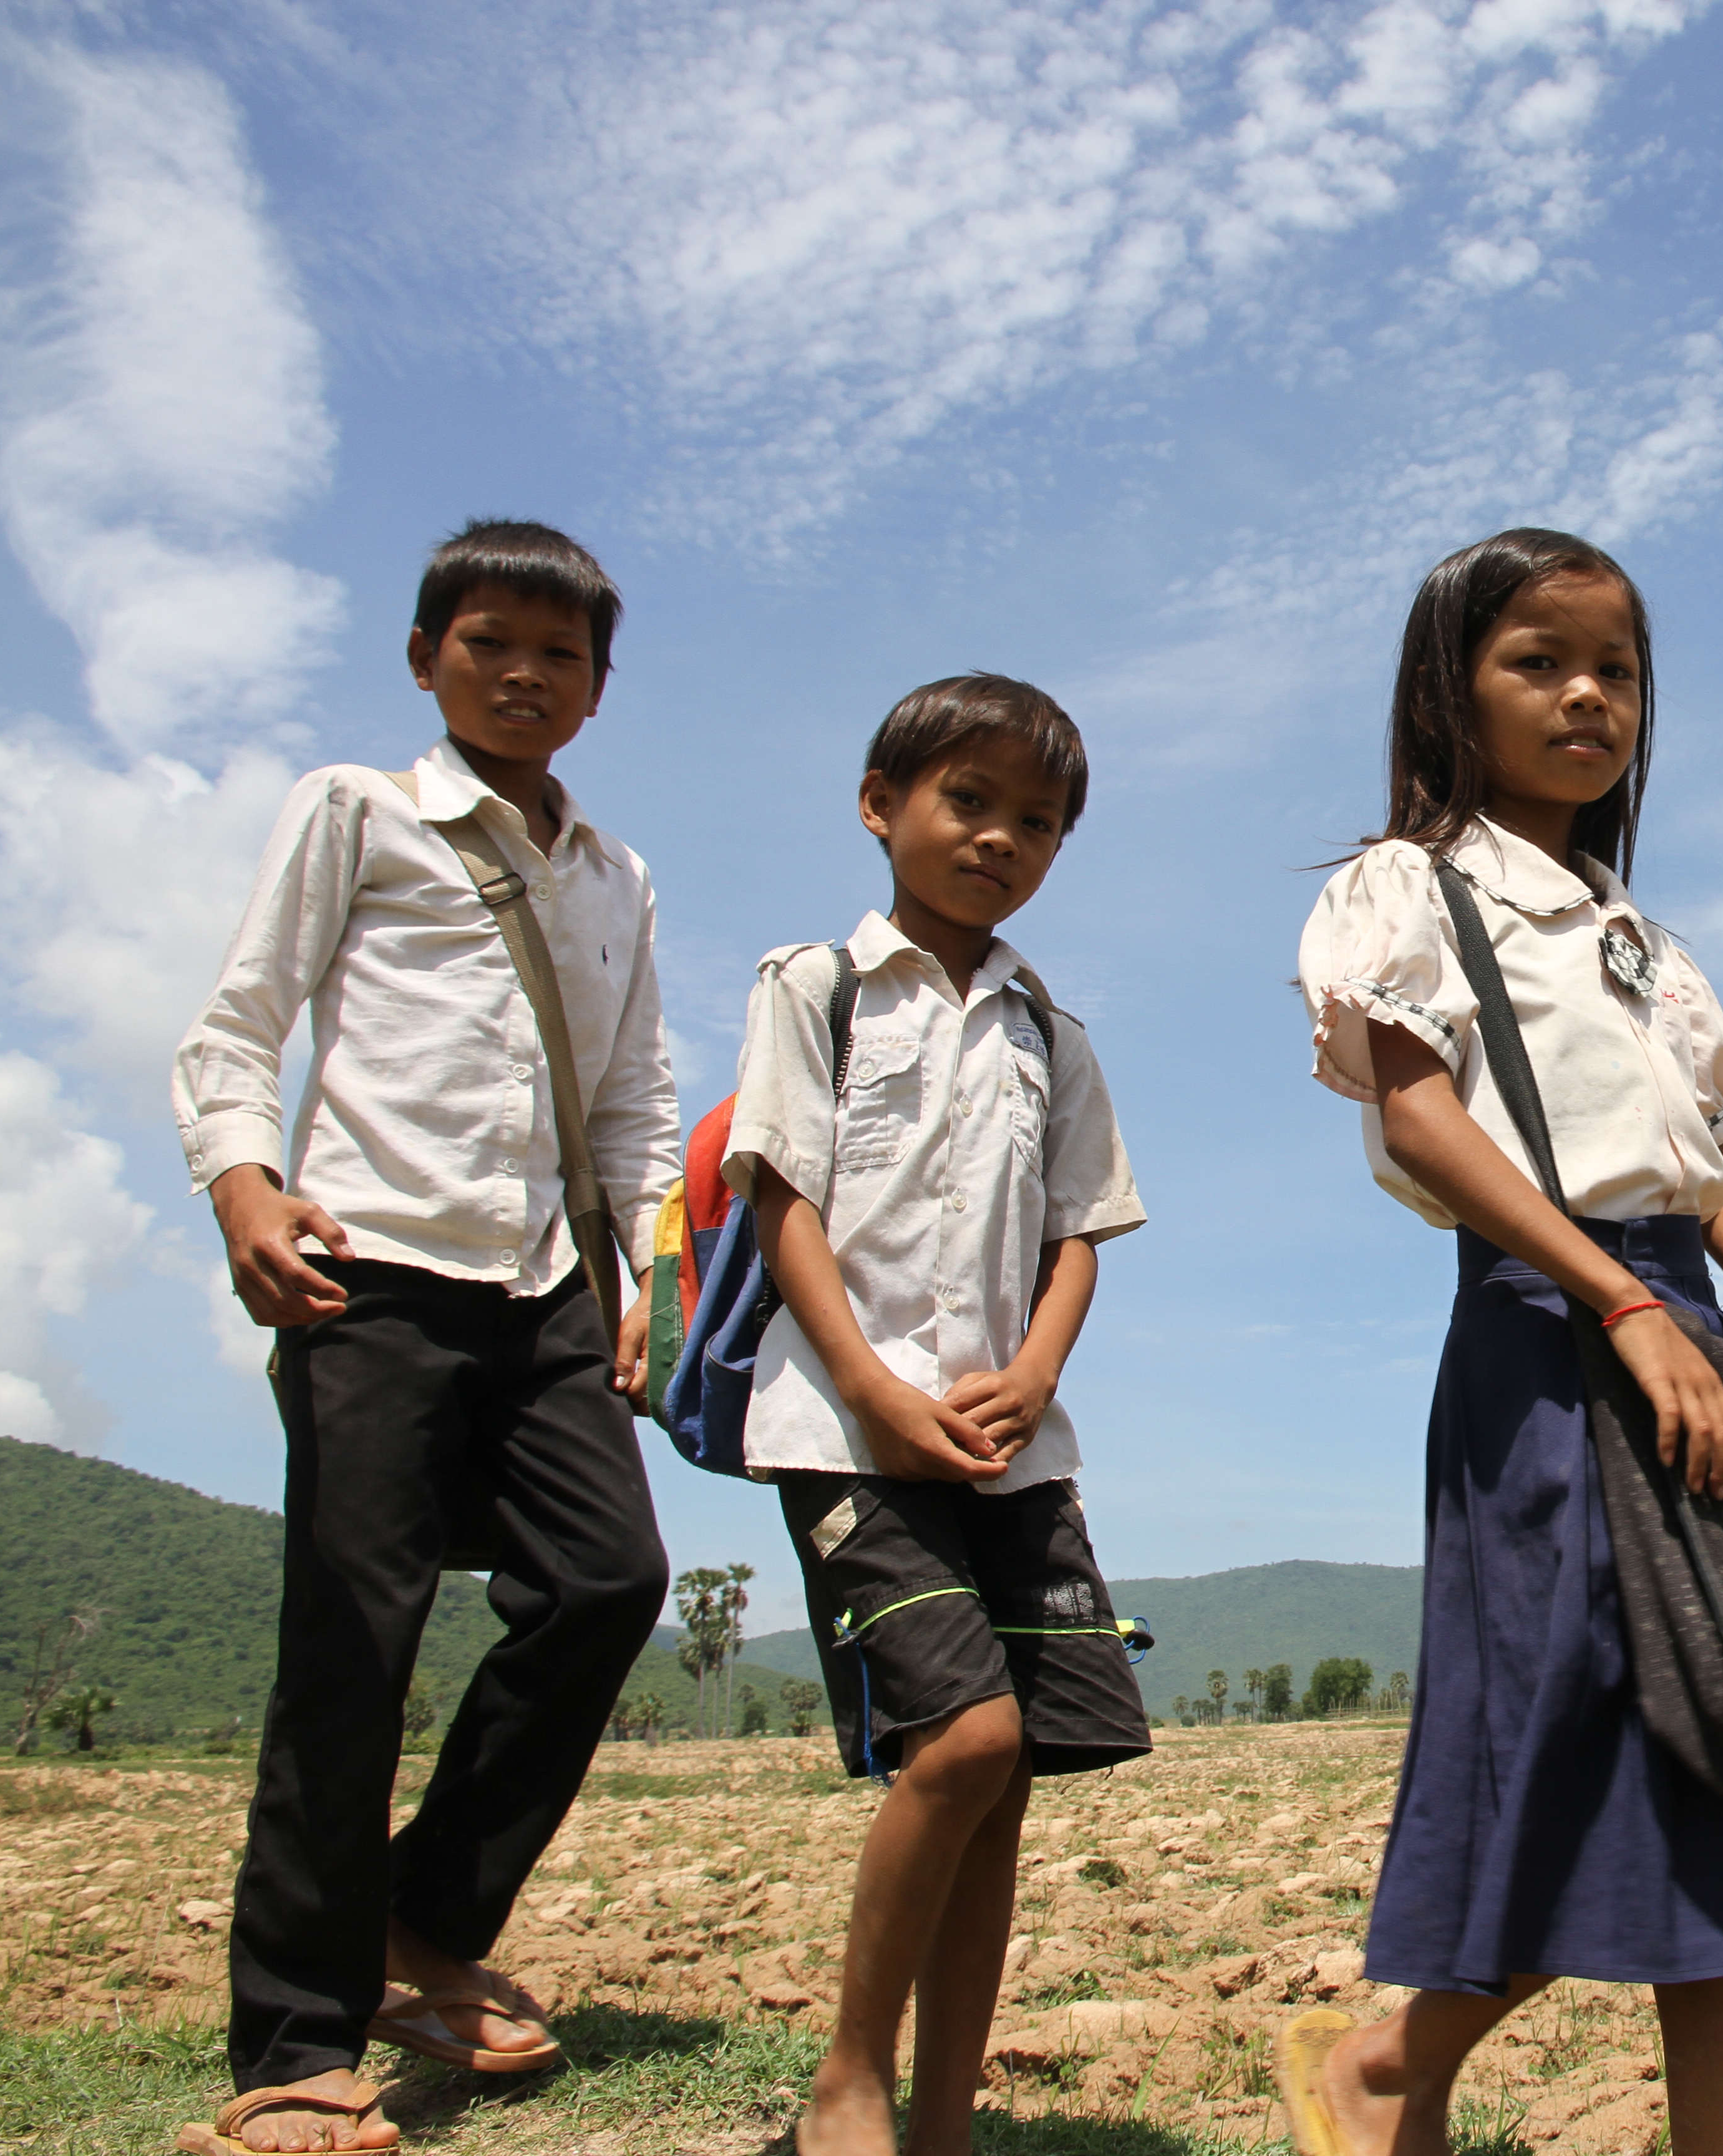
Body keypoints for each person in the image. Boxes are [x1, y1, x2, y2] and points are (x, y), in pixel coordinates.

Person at [1278, 529, 1723, 2156]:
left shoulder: (1642, 941)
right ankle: (1386, 2067)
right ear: (1450, 691)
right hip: (1544, 1337)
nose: (1585, 695)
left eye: (1615, 669)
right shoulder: (1406, 891)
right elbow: (1425, 1126)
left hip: (1690, 1336)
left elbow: (1703, 1177)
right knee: (1571, 1718)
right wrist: (1621, 1307)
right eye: (1538, 662)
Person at [169, 521, 677, 2155]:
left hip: (542, 1290)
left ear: (600, 690)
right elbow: (242, 1019)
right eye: (488, 641)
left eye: (560, 653)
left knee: (610, 1582)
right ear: (425, 658)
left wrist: (646, 1276)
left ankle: (420, 1920)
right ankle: (295, 2046)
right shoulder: (357, 809)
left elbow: (632, 1102)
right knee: (352, 1641)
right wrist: (246, 1186)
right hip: (366, 1268)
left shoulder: (616, 876)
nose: (523, 673)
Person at [722, 674, 1152, 2156]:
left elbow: (1081, 1229)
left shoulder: (1052, 1032)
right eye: (969, 802)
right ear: (880, 804)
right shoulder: (813, 988)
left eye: (1038, 822)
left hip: (1013, 1445)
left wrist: (1037, 1373)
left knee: (1007, 1779)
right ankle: (850, 2079)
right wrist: (869, 1387)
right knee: (962, 1744)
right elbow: (782, 1197)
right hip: (851, 1429)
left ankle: (949, 2118)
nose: (1000, 840)